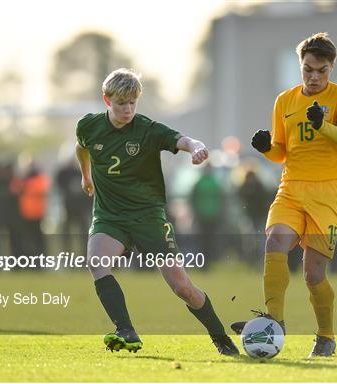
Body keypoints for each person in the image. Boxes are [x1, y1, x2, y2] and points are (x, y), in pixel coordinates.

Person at [75, 68, 238, 355]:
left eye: (132, 103)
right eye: (121, 103)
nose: (127, 110)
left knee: (181, 287)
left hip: (148, 216)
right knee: (97, 262)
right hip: (109, 216)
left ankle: (219, 336)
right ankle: (125, 329)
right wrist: (86, 176)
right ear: (106, 100)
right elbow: (81, 147)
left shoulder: (148, 130)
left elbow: (182, 140)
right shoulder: (89, 126)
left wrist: (197, 146)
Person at [231, 33, 337, 357]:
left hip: (328, 192)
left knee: (313, 273)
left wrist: (323, 126)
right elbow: (281, 151)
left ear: (331, 69)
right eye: (308, 70)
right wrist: (266, 148)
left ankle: (326, 336)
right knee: (274, 241)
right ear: (300, 66)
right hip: (291, 188)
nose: (314, 77)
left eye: (321, 70)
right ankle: (274, 321)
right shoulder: (284, 101)